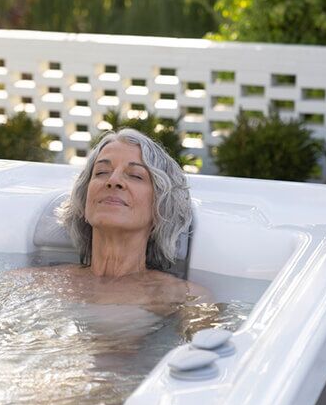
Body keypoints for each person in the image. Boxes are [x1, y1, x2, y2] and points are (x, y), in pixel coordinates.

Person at [11, 128, 219, 338]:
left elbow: (208, 355)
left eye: (136, 176)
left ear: (161, 208)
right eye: (101, 172)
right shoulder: (28, 282)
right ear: (84, 203)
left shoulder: (185, 298)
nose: (113, 180)